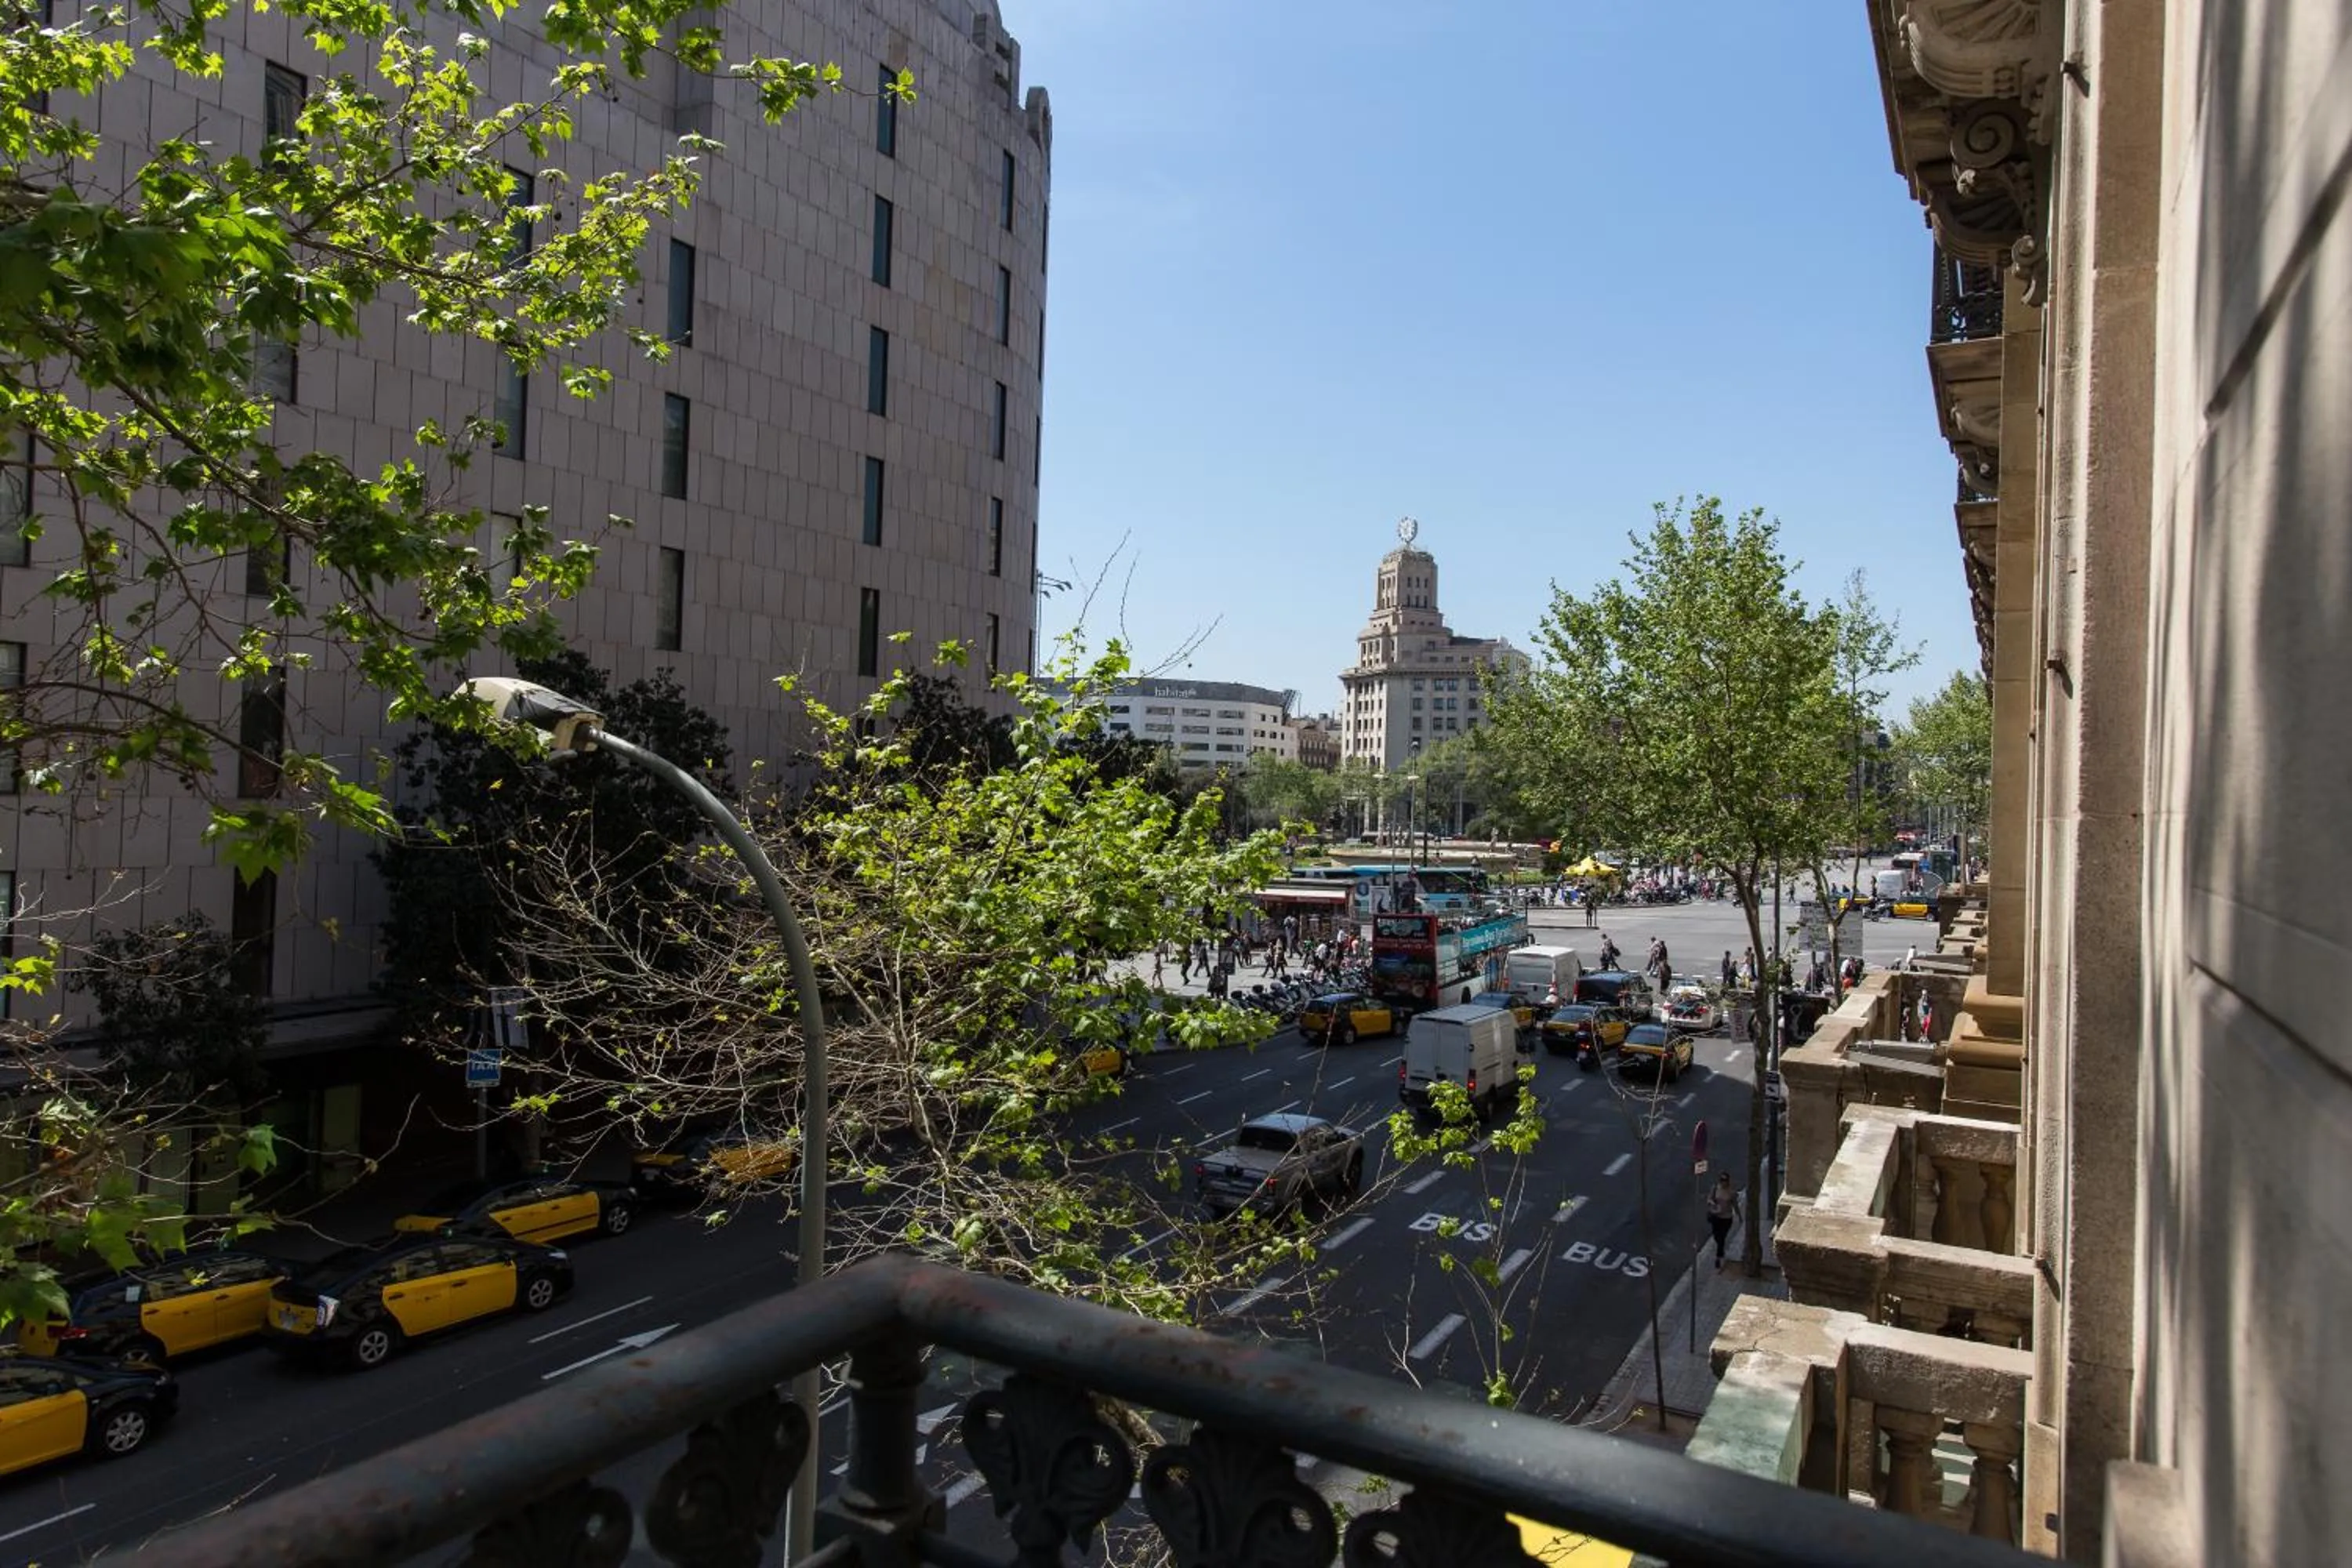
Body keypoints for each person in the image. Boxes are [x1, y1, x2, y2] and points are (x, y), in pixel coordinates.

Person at [1706, 1174, 1741, 1269]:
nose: (1723, 1183)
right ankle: (1720, 1251)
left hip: (1726, 1218)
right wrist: (1712, 1203)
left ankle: (1718, 1257)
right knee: (1716, 1236)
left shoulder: (1731, 1192)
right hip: (1716, 1216)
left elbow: (1735, 1204)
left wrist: (1739, 1216)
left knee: (1722, 1237)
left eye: (1725, 1181)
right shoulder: (1715, 1188)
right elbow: (1709, 1199)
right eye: (1722, 1180)